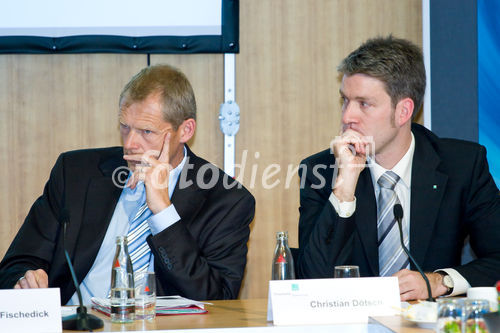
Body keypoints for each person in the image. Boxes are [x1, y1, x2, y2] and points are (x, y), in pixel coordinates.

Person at [0, 64, 255, 304]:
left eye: (146, 132)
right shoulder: (76, 173)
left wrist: (163, 212)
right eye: (124, 127)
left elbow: (217, 300)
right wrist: (26, 280)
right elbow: (16, 264)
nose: (130, 143)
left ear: (186, 130)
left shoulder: (227, 200)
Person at [296, 36, 500, 301]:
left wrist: (441, 281)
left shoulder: (462, 165)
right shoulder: (321, 171)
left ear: (403, 111)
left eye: (364, 104)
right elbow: (312, 280)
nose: (347, 117)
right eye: (345, 100)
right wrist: (345, 189)